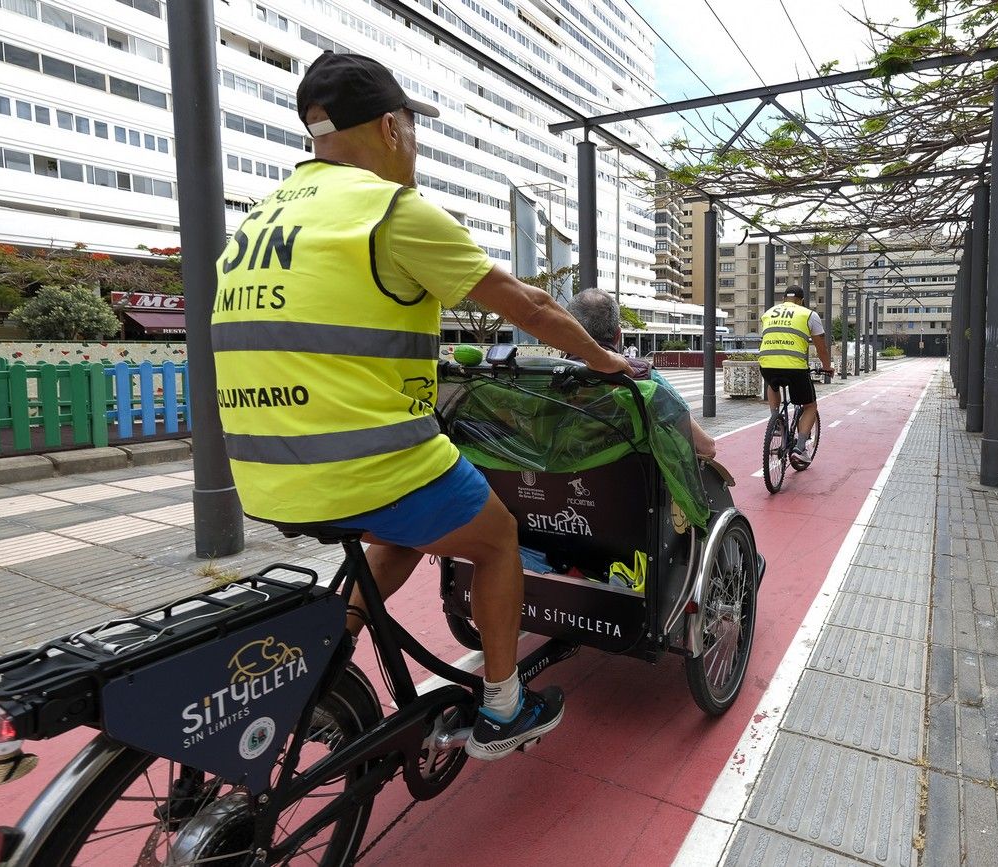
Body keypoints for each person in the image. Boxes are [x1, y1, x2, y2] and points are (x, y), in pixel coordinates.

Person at [211, 52, 631, 762]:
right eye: (412, 123)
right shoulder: (389, 210)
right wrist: (604, 359)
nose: (415, 139)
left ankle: (326, 653)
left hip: (262, 472)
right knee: (496, 537)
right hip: (362, 462)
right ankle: (504, 708)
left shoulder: (259, 219)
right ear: (390, 126)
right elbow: (528, 304)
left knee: (405, 528)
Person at [566, 289, 716, 460]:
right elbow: (706, 447)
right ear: (618, 335)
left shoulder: (544, 375)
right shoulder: (642, 374)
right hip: (628, 482)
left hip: (549, 484)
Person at [759, 286, 833, 461]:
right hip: (794, 368)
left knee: (773, 384)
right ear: (801, 300)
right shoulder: (808, 314)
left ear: (784, 299)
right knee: (810, 406)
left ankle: (775, 419)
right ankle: (800, 450)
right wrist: (827, 366)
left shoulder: (769, 313)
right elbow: (821, 346)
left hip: (767, 363)